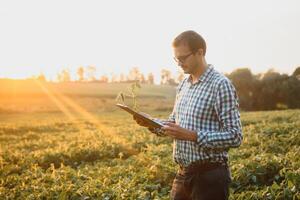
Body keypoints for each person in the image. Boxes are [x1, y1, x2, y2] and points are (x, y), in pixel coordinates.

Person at [133, 30, 243, 200]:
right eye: (176, 59)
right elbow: (173, 123)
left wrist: (193, 136)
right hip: (183, 174)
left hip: (210, 177)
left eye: (183, 58)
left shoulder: (221, 85)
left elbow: (235, 136)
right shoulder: (184, 84)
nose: (179, 63)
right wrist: (150, 122)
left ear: (200, 52)